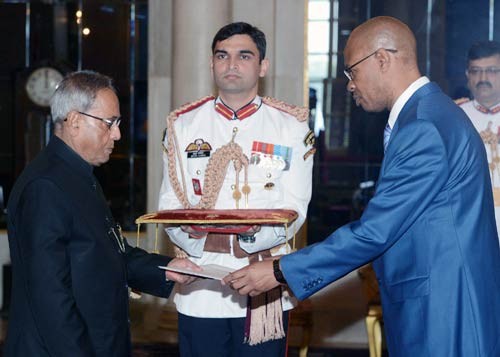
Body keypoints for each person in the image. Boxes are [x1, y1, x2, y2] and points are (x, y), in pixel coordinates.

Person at [224, 16, 500, 357]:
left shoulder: (424, 126)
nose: (350, 85)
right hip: (437, 301)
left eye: (352, 71)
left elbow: (376, 231)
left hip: (444, 310)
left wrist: (281, 270)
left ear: (382, 59)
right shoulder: (427, 114)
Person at [5, 70, 200, 357]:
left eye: (117, 123)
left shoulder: (79, 175)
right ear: (74, 122)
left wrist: (167, 268)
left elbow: (108, 253)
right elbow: (51, 300)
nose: (118, 134)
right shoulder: (45, 186)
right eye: (110, 123)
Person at [158, 22, 314, 356]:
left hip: (262, 281)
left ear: (263, 66)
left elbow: (295, 209)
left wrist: (244, 244)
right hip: (200, 286)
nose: (232, 64)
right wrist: (202, 242)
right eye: (222, 55)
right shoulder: (183, 125)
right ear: (212, 63)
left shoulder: (291, 127)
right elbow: (168, 204)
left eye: (244, 56)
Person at [458, 40, 500, 246]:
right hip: (469, 225)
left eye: (491, 70)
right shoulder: (454, 116)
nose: (483, 78)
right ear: (468, 76)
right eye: (476, 71)